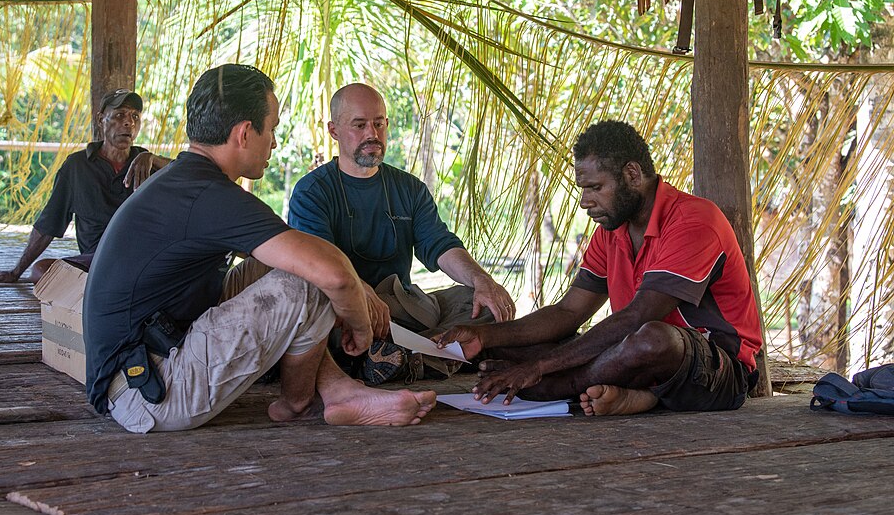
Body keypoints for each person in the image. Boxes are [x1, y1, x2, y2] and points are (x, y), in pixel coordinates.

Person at [83, 64, 436, 433]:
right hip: (148, 391)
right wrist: (363, 333)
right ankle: (298, 402)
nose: (275, 142)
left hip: (150, 359)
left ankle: (337, 391)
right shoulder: (210, 196)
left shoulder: (189, 181)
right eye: (272, 129)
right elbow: (334, 276)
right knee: (305, 281)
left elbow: (312, 258)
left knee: (292, 265)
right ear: (244, 133)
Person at [436, 120, 763, 416]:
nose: (585, 201)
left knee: (654, 340)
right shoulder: (612, 231)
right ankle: (636, 393)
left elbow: (639, 317)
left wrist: (539, 369)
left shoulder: (694, 220)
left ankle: (564, 388)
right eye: (583, 189)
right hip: (631, 352)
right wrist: (485, 335)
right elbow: (568, 312)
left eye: (595, 187)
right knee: (509, 343)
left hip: (718, 371)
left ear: (632, 175)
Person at [288, 83, 515, 382]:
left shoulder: (409, 188)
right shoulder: (312, 191)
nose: (372, 133)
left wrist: (482, 280)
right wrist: (360, 292)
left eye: (379, 123)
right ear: (334, 130)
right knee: (322, 316)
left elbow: (440, 244)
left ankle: (400, 357)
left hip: (406, 308)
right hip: (348, 309)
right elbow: (319, 266)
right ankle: (427, 356)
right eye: (359, 125)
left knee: (480, 303)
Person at [0, 88, 168, 283]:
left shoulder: (148, 165)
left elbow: (192, 171)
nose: (129, 122)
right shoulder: (77, 166)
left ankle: (110, 290)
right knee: (41, 271)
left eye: (135, 116)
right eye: (119, 115)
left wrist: (152, 157)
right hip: (97, 261)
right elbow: (49, 223)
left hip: (141, 258)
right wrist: (16, 272)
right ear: (101, 120)